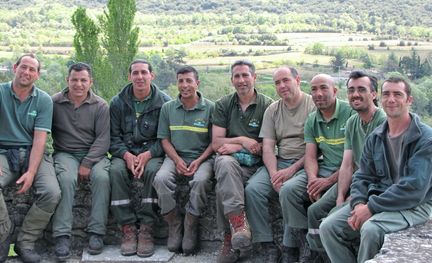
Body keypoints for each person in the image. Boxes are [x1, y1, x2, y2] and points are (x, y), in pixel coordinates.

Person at [320, 77, 432, 263]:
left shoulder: (425, 139)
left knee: (371, 229)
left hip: (416, 205)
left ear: (409, 100)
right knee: (328, 227)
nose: (391, 99)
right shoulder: (376, 136)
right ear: (380, 98)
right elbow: (362, 175)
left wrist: (371, 207)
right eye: (386, 94)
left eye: (398, 94)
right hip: (380, 198)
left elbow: (415, 188)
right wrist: (358, 204)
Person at [279, 74, 354, 262]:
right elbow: (311, 156)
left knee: (318, 208)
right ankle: (306, 244)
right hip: (323, 168)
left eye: (323, 88)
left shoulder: (350, 114)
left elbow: (354, 161)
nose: (318, 94)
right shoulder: (312, 119)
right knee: (288, 190)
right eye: (314, 89)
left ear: (335, 91)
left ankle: (322, 252)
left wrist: (327, 181)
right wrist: (312, 180)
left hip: (346, 171)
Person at [244, 66, 315, 262]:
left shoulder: (312, 106)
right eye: (277, 82)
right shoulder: (273, 110)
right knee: (253, 189)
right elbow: (267, 147)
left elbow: (316, 149)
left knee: (287, 190)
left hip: (305, 162)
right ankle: (267, 244)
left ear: (298, 80)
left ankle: (295, 246)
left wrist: (291, 170)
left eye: (286, 80)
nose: (282, 85)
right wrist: (274, 172)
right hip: (281, 161)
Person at [0, 54, 61, 263]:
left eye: (31, 69)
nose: (26, 72)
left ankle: (25, 242)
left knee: (52, 192)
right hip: (3, 153)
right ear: (15, 67)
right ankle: (4, 235)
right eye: (23, 67)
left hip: (34, 151)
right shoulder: (0, 93)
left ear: (37, 75)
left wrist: (32, 172)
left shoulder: (43, 100)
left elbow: (40, 140)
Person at [212, 60, 273, 263]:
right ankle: (238, 228)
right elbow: (216, 143)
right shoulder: (223, 105)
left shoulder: (268, 105)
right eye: (237, 76)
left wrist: (238, 145)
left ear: (254, 77)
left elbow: (266, 146)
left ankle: (232, 240)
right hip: (232, 165)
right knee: (224, 163)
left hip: (257, 166)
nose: (241, 80)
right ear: (232, 80)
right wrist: (243, 140)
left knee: (223, 187)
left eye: (245, 75)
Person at [109, 59, 170, 257]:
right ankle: (127, 226)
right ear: (129, 76)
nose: (140, 77)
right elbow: (112, 137)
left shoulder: (165, 103)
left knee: (153, 171)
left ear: (152, 75)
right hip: (124, 151)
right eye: (135, 73)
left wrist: (149, 154)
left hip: (152, 152)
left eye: (144, 72)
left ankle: (146, 226)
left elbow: (165, 138)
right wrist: (126, 155)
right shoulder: (118, 102)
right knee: (115, 170)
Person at [50, 62, 111, 260]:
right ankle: (61, 236)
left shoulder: (101, 105)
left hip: (94, 154)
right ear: (67, 80)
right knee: (66, 180)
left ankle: (96, 233)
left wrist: (87, 163)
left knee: (102, 178)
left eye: (83, 80)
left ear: (90, 82)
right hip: (65, 153)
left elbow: (103, 139)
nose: (78, 84)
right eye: (74, 79)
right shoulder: (54, 102)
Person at [153, 66, 215, 255]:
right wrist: (177, 160)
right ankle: (174, 223)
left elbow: (215, 142)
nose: (185, 85)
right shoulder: (168, 108)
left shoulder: (210, 108)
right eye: (181, 81)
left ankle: (191, 223)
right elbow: (164, 139)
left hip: (203, 158)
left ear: (197, 83)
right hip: (174, 156)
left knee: (201, 180)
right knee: (161, 179)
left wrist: (199, 160)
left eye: (189, 80)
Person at [335, 71, 386, 207]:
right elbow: (347, 165)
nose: (355, 94)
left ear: (374, 94)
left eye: (362, 90)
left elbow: (380, 171)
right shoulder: (352, 122)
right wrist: (340, 196)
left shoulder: (383, 123)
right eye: (351, 90)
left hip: (371, 186)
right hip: (356, 179)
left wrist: (356, 195)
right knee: (315, 210)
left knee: (331, 221)